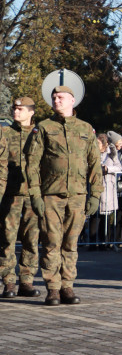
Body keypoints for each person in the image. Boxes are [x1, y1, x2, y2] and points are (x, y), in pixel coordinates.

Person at [25, 85, 101, 305]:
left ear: (72, 101)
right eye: (54, 97)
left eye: (61, 97)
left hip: (77, 195)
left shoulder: (86, 129)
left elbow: (95, 164)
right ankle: (53, 288)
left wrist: (95, 194)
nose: (56, 100)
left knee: (71, 243)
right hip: (51, 195)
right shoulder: (44, 128)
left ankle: (68, 286)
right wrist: (35, 195)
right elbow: (32, 164)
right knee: (51, 242)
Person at [1, 96, 34, 298]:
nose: (16, 111)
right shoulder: (4, 132)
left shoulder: (40, 133)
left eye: (21, 109)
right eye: (14, 108)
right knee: (7, 237)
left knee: (32, 238)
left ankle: (27, 281)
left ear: (31, 112)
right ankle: (8, 282)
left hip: (32, 193)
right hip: (10, 193)